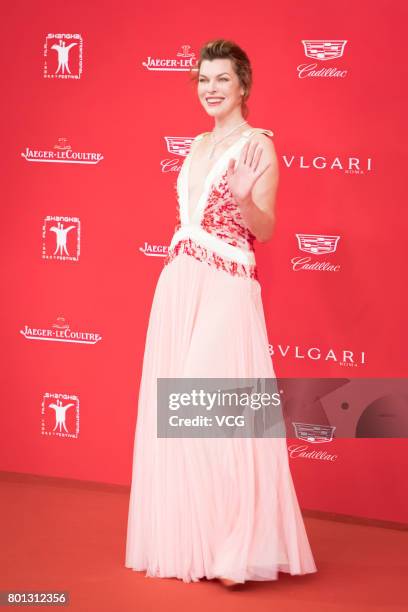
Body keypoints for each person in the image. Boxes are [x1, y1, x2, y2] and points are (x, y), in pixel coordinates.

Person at [125, 38, 317, 587]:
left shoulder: (257, 147)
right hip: (181, 284)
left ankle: (241, 547)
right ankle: (203, 543)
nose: (211, 89)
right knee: (178, 420)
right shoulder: (194, 147)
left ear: (243, 86)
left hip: (228, 284)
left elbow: (266, 229)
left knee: (215, 416)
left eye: (222, 80)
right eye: (204, 80)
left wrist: (242, 199)